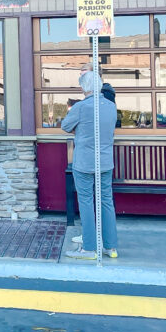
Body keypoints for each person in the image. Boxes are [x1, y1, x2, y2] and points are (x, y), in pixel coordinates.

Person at [61, 69, 118, 258]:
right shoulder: (111, 106)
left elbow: (65, 126)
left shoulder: (81, 107)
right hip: (105, 161)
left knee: (86, 203)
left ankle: (89, 248)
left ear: (83, 88)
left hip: (84, 161)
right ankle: (110, 247)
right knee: (107, 202)